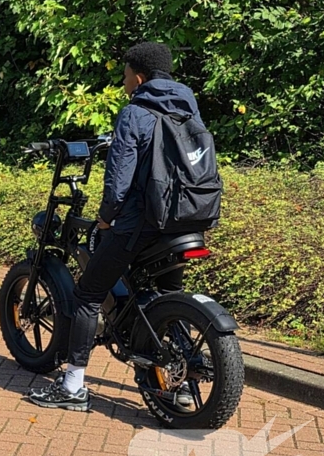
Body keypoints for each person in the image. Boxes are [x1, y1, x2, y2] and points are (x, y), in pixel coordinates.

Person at [29, 42, 207, 411]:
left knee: (87, 295)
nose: (124, 81)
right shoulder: (188, 109)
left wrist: (107, 218)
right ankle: (182, 384)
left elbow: (119, 180)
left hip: (140, 223)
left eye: (125, 75)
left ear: (139, 77)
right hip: (187, 220)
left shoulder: (135, 112)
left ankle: (73, 386)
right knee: (165, 298)